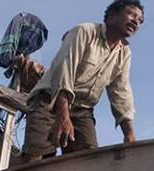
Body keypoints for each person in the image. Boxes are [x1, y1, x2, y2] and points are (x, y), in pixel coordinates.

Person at [20, 1, 144, 162]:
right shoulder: (84, 31)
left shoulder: (124, 53)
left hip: (82, 110)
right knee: (36, 158)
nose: (136, 21)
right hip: (49, 99)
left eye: (140, 20)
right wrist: (63, 116)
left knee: (89, 161)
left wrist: (129, 135)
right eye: (131, 14)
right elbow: (64, 71)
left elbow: (121, 92)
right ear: (112, 16)